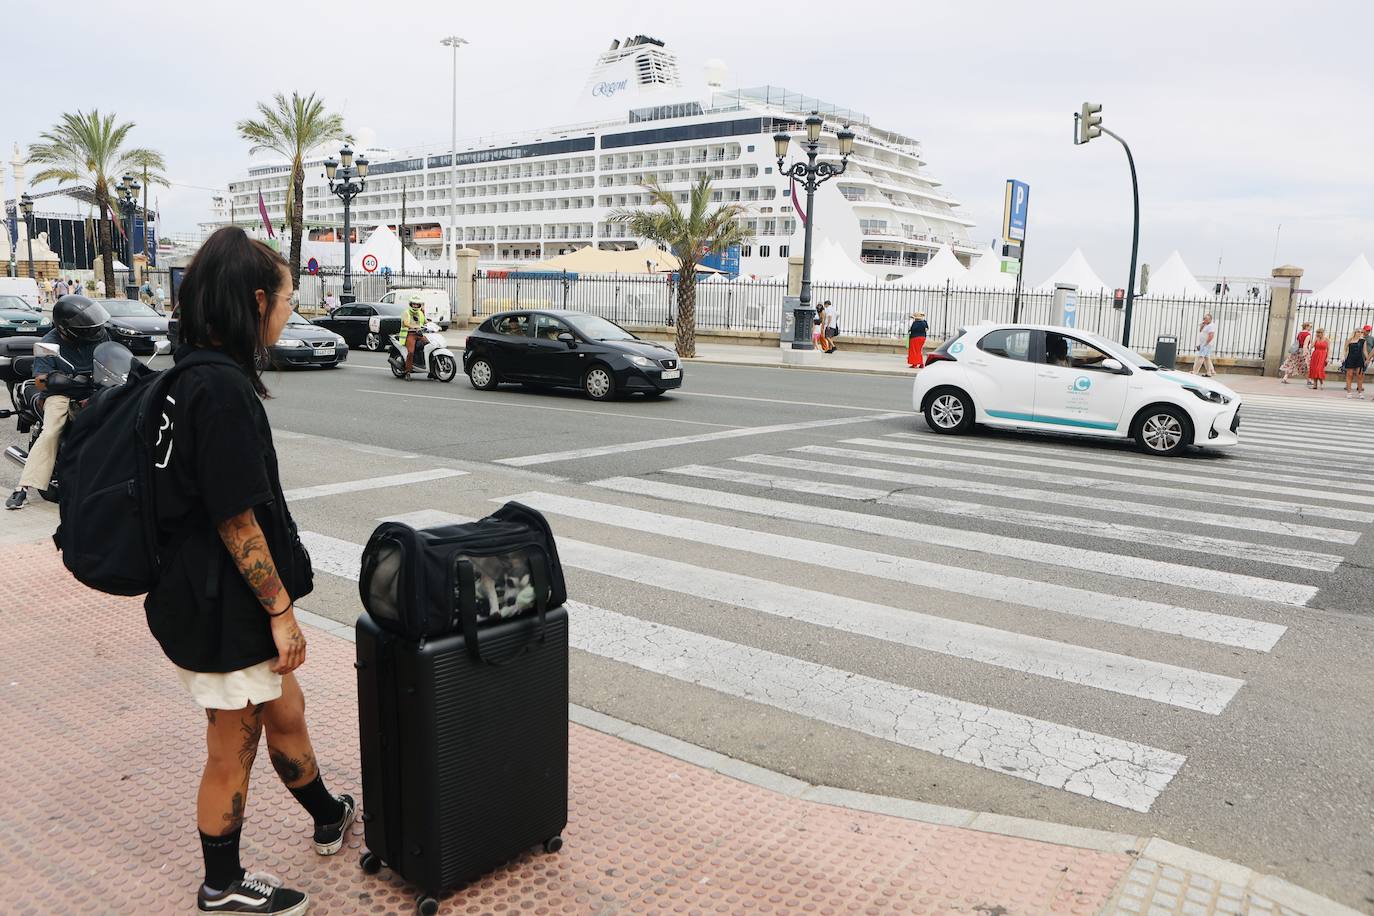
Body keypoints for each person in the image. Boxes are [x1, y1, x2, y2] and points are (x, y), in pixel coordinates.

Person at [146, 226, 353, 914]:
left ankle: (328, 814)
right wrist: (282, 611)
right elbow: (238, 521)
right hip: (222, 604)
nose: (292, 311)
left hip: (200, 591)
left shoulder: (187, 374)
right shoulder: (223, 393)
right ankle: (222, 885)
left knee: (284, 708)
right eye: (289, 298)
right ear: (258, 299)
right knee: (230, 746)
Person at [4, 295, 111, 510]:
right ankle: (23, 488)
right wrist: (62, 380)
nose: (92, 330)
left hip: (96, 389)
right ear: (66, 328)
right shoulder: (48, 344)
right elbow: (40, 382)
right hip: (61, 394)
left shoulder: (100, 335)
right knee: (52, 430)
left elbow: (112, 358)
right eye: (85, 327)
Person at [400, 294, 428, 378]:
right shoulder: (406, 312)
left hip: (419, 334)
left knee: (429, 345)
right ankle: (408, 371)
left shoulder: (420, 313)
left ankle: (431, 370)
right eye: (414, 304)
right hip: (410, 334)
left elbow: (425, 322)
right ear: (411, 304)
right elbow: (405, 323)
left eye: (417, 304)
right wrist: (413, 327)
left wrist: (432, 324)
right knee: (411, 352)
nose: (415, 306)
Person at [1341, 329, 1365, 399]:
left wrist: (1368, 359)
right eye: (1358, 332)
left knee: (1359, 376)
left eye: (1361, 332)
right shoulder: (1349, 340)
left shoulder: (1363, 341)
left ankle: (1360, 392)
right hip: (1350, 359)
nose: (1360, 333)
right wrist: (1343, 357)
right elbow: (1345, 350)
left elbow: (1364, 351)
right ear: (1355, 332)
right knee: (1349, 375)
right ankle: (1349, 392)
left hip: (1359, 359)